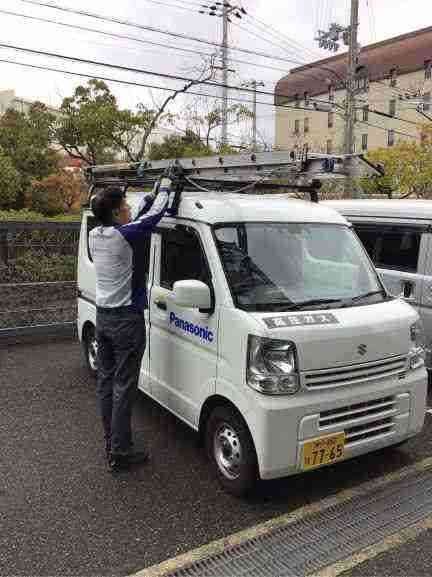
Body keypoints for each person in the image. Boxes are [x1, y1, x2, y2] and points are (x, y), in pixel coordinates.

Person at [89, 178, 171, 473]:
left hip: (103, 318)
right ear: (114, 213)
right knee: (124, 386)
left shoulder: (95, 234)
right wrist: (166, 187)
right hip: (125, 321)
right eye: (124, 206)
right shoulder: (126, 235)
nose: (127, 209)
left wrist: (148, 196)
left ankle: (110, 444)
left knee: (106, 383)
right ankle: (121, 453)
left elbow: (135, 218)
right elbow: (154, 215)